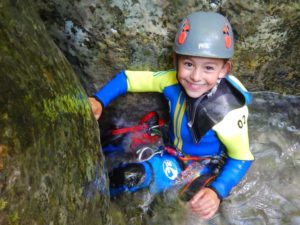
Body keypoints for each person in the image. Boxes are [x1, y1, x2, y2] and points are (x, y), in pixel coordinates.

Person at [89, 11, 254, 220]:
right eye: (188, 64)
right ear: (175, 60)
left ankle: (92, 210)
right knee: (111, 144)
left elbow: (242, 157)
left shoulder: (229, 111)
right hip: (168, 144)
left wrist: (217, 191)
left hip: (199, 163)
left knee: (132, 179)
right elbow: (128, 79)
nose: (195, 76)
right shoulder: (170, 81)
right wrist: (99, 100)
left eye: (209, 68)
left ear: (224, 70)